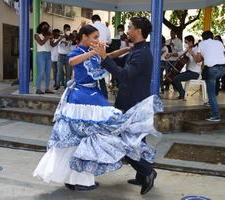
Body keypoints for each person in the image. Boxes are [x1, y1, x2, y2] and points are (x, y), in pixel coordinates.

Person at [33, 24, 163, 194]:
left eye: (97, 37)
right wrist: (95, 52)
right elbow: (72, 61)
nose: (97, 40)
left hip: (93, 96)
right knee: (86, 138)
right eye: (94, 37)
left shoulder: (137, 52)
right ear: (84, 37)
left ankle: (81, 178)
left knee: (90, 138)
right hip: (82, 99)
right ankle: (80, 179)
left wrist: (124, 51)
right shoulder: (79, 51)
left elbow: (108, 56)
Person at [91, 17, 158, 195]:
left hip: (134, 103)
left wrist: (105, 58)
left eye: (129, 27)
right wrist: (105, 54)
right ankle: (142, 176)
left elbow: (124, 75)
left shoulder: (142, 53)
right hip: (132, 101)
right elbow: (121, 63)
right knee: (137, 142)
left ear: (138, 31)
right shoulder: (137, 49)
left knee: (125, 144)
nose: (126, 30)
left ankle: (148, 172)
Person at [194, 31, 225, 122]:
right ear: (212, 37)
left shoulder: (201, 43)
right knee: (213, 85)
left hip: (212, 69)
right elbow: (222, 55)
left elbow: (198, 60)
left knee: (211, 93)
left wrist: (196, 51)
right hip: (223, 69)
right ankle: (213, 110)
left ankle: (216, 115)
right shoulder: (219, 43)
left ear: (203, 37)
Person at [165, 35, 201, 100]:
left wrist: (192, 53)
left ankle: (182, 94)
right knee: (171, 78)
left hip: (195, 73)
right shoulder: (188, 49)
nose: (185, 44)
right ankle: (182, 93)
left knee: (175, 78)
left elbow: (198, 62)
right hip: (189, 71)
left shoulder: (196, 50)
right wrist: (171, 54)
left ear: (191, 42)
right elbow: (179, 53)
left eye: (186, 42)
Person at [91, 14, 111, 98]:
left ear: (93, 20)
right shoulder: (106, 28)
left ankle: (93, 95)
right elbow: (109, 42)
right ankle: (104, 96)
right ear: (100, 19)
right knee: (101, 76)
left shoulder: (91, 27)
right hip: (103, 55)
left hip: (92, 54)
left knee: (92, 75)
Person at [34, 21, 54, 94]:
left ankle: (47, 88)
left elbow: (52, 45)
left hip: (48, 54)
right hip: (41, 54)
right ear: (41, 27)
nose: (46, 28)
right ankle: (38, 89)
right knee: (41, 71)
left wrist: (56, 38)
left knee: (48, 72)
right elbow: (41, 43)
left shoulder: (48, 35)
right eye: (44, 27)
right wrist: (48, 37)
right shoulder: (36, 35)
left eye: (47, 27)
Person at [55, 24, 72, 90]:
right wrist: (61, 39)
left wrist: (68, 40)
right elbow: (57, 43)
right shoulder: (60, 37)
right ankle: (57, 84)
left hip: (68, 56)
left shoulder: (70, 37)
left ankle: (67, 86)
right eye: (67, 30)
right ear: (64, 30)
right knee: (59, 71)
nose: (69, 31)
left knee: (68, 73)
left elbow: (70, 44)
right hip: (60, 56)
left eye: (69, 30)